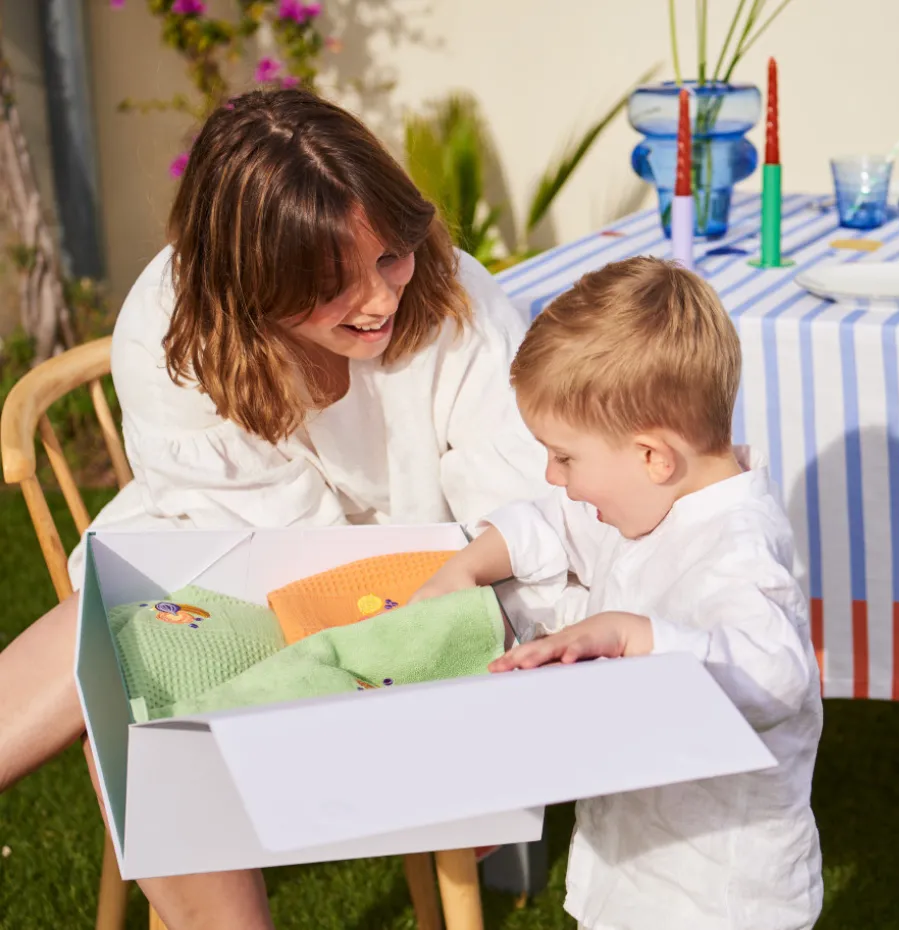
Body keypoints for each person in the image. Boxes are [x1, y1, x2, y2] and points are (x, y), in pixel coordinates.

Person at [0, 88, 571, 928]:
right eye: (332, 286)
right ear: (250, 284)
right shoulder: (169, 328)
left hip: (427, 579)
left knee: (138, 709)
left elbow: (523, 509)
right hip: (235, 548)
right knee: (123, 680)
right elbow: (264, 546)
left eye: (391, 256)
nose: (379, 300)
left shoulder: (459, 305)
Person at [414, 257, 824, 930]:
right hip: (636, 865)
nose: (553, 475)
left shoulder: (737, 549)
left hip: (714, 897)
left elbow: (776, 676)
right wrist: (465, 568)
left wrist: (634, 635)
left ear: (652, 456)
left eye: (564, 456)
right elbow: (553, 520)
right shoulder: (646, 498)